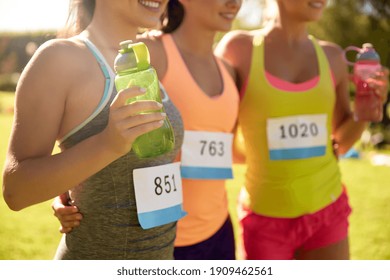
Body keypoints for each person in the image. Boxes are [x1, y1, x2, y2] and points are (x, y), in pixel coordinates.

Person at [52, 0, 242, 260]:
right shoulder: (143, 52)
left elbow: (231, 148)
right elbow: (88, 125)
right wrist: (68, 193)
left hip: (219, 229)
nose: (235, 3)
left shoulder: (229, 70)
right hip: (163, 239)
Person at [2, 0, 186, 260]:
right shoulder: (59, 58)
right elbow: (15, 191)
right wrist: (107, 145)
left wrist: (71, 186)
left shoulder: (148, 57)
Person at [214, 0, 389, 259]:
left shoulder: (333, 57)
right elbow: (214, 130)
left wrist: (366, 113)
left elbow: (341, 142)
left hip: (327, 212)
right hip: (265, 217)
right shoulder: (238, 49)